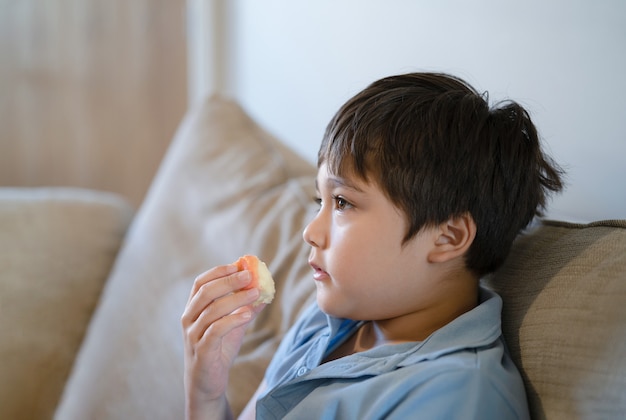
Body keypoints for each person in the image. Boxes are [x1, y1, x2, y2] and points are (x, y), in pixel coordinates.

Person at [181, 72, 564, 419]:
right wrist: (206, 394)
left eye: (343, 203)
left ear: (448, 237)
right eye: (321, 201)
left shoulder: (456, 398)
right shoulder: (325, 321)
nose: (311, 232)